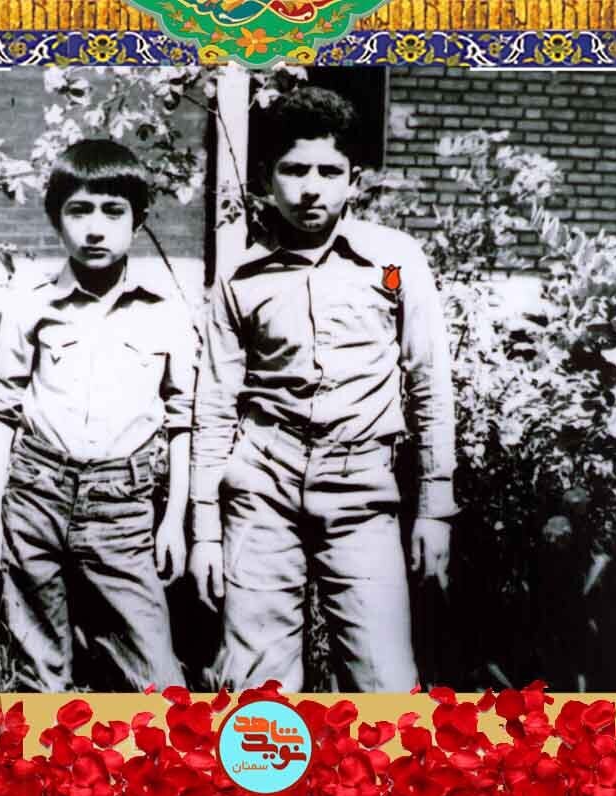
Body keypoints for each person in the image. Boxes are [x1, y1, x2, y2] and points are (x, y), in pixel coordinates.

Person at [189, 86, 457, 692]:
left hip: (362, 487)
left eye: (329, 172)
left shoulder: (392, 263)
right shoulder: (240, 277)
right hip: (262, 487)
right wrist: (205, 527)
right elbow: (215, 404)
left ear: (353, 181)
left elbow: (429, 383)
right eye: (294, 170)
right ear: (267, 177)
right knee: (255, 686)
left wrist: (435, 508)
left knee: (384, 682)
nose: (311, 188)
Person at [0, 139, 193, 691]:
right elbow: (0, 411)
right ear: (56, 219)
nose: (95, 229)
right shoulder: (31, 303)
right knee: (40, 673)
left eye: (113, 211)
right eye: (79, 211)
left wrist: (173, 520)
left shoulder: (167, 311)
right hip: (36, 496)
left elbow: (182, 420)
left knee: (156, 681)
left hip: (122, 507)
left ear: (138, 221)